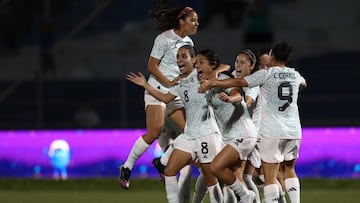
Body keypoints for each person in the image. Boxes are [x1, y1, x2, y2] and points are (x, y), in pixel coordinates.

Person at [199, 42, 307, 203]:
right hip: (293, 130)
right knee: (288, 170)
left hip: (270, 130)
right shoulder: (294, 74)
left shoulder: (265, 74)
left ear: (272, 56)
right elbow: (304, 84)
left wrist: (214, 83)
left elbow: (240, 85)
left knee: (266, 176)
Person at [127, 45, 223, 203]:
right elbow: (164, 98)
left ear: (193, 60)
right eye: (177, 57)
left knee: (211, 180)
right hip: (190, 135)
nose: (179, 60)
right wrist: (145, 85)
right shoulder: (179, 84)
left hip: (207, 134)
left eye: (184, 56)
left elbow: (222, 66)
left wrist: (215, 73)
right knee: (169, 171)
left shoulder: (202, 76)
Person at [119, 1, 199, 190]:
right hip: (157, 88)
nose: (196, 23)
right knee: (154, 131)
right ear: (181, 21)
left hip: (175, 92)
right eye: (193, 20)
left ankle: (161, 162)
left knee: (191, 132)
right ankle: (127, 167)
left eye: (197, 21)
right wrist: (169, 81)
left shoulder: (189, 43)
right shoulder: (164, 39)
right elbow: (152, 66)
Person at [195, 49, 257, 203]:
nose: (197, 67)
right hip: (229, 136)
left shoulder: (222, 79)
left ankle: (246, 196)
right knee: (235, 176)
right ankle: (247, 198)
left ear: (212, 65)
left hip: (243, 133)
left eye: (201, 63)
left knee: (216, 167)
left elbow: (237, 95)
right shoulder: (205, 84)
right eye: (196, 63)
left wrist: (230, 99)